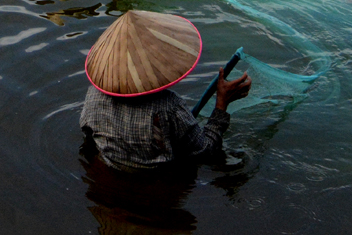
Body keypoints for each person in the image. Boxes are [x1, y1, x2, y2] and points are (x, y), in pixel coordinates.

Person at [80, 10, 252, 172]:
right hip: (158, 183)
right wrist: (221, 104)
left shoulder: (93, 96)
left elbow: (89, 135)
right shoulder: (169, 107)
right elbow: (206, 152)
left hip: (111, 173)